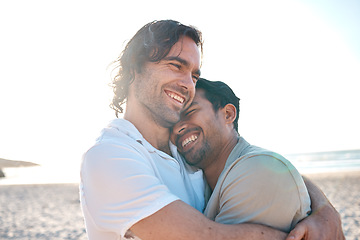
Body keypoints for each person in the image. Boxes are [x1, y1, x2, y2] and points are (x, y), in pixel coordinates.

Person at [80, 19, 344, 240]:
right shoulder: (109, 156)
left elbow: (261, 165)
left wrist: (325, 211)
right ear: (135, 68)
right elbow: (206, 236)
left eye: (194, 75)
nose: (187, 84)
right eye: (176, 65)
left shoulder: (184, 151)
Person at [171, 78, 343, 235]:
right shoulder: (210, 176)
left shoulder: (257, 171)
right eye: (172, 122)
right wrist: (324, 207)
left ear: (228, 115)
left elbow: (272, 170)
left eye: (190, 111)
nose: (177, 128)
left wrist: (325, 210)